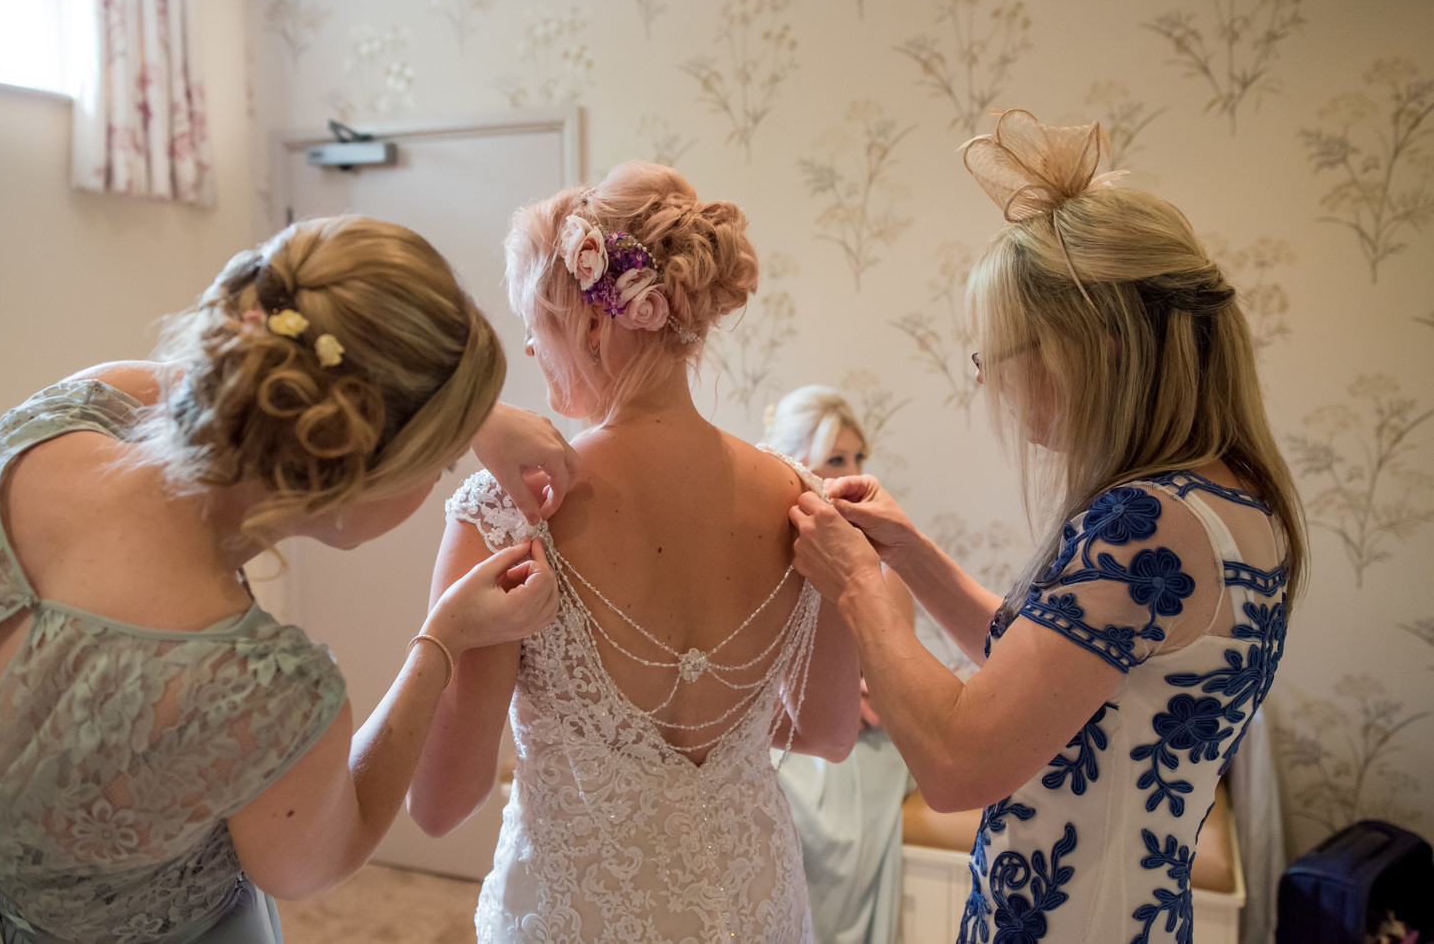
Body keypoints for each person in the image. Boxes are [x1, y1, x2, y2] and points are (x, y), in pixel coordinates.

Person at [0, 215, 581, 943]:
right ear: (354, 465)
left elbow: (209, 384)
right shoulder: (262, 685)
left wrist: (464, 413)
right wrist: (443, 640)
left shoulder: (70, 413)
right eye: (438, 463)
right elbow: (315, 861)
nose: (439, 480)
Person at [789, 109, 1308, 942]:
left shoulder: (1147, 520)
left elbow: (960, 762)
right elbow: (1058, 674)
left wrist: (859, 585)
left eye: (1002, 351)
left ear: (1095, 347)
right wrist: (914, 555)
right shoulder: (1234, 501)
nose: (990, 379)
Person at [407, 162, 863, 944]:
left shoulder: (509, 512)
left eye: (536, 319)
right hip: (751, 907)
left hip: (574, 915)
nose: (524, 341)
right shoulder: (801, 499)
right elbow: (827, 730)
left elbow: (441, 801)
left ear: (593, 324)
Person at [763, 385, 936, 944]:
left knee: (830, 826)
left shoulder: (881, 557)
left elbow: (898, 673)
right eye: (837, 459)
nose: (853, 473)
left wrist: (867, 691)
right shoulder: (761, 560)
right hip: (781, 728)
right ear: (796, 465)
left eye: (858, 458)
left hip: (867, 742)